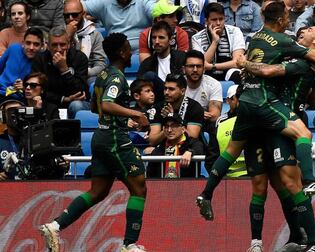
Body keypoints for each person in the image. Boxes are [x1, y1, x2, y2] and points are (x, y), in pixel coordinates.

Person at [196, 0, 315, 223]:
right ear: (279, 20)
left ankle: (206, 193)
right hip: (267, 104)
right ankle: (309, 183)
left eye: (308, 29)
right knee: (303, 137)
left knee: (231, 152)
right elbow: (273, 69)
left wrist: (243, 62)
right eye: (287, 16)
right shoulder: (285, 42)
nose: (293, 23)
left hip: (247, 101)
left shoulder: (257, 36)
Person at [39, 33, 150, 252]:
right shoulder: (117, 78)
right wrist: (135, 114)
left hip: (102, 136)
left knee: (98, 191)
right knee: (139, 189)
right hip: (114, 140)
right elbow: (107, 105)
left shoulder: (103, 75)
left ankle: (54, 226)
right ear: (121, 52)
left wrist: (124, 119)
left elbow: (94, 107)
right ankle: (129, 245)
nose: (131, 52)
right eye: (128, 48)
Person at [31, 26, 90, 119]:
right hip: (49, 102)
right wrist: (64, 99)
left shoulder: (79, 58)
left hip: (74, 103)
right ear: (48, 46)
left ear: (69, 44)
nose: (58, 49)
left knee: (76, 105)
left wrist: (65, 70)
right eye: (54, 45)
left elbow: (80, 91)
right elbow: (37, 90)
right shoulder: (40, 59)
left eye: (62, 45)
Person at [192, 2, 245, 81]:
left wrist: (212, 66)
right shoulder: (196, 38)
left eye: (221, 19)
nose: (218, 23)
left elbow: (237, 62)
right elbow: (201, 64)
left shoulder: (235, 32)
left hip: (229, 73)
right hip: (206, 76)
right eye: (214, 20)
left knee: (236, 73)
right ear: (206, 21)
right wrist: (215, 42)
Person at [147, 73, 204, 146]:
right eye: (165, 88)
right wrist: (168, 127)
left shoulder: (194, 107)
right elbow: (152, 141)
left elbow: (192, 138)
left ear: (182, 91)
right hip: (164, 149)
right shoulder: (157, 108)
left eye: (171, 89)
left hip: (187, 150)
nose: (166, 92)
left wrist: (173, 117)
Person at [137, 21, 186, 104]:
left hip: (179, 99)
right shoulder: (147, 64)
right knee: (150, 76)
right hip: (157, 102)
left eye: (161, 37)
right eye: (154, 37)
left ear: (170, 40)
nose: (156, 41)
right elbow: (139, 88)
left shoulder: (182, 58)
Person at [82, 0, 155, 54]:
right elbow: (77, 6)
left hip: (144, 52)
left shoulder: (145, 2)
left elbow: (157, 13)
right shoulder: (104, 2)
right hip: (114, 55)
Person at [205, 84, 247, 177]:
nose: (239, 101)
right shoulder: (221, 123)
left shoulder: (254, 119)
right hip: (227, 179)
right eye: (234, 98)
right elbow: (212, 158)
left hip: (254, 176)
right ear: (228, 100)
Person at [146, 112, 205, 178]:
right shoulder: (159, 149)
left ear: (183, 129)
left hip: (187, 186)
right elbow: (150, 175)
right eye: (166, 126)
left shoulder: (192, 143)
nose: (169, 130)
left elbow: (199, 148)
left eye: (174, 126)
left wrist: (190, 152)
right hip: (163, 186)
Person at [64, 0, 107, 84]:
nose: (70, 19)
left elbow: (100, 65)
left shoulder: (95, 34)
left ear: (83, 14)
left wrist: (82, 73)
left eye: (74, 15)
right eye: (66, 16)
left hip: (87, 75)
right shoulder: (59, 33)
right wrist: (67, 35)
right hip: (63, 73)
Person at [184, 49, 222, 132]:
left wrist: (187, 113)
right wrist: (199, 113)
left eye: (198, 66)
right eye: (191, 66)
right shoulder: (177, 85)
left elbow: (215, 116)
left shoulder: (213, 84)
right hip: (181, 124)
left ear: (204, 69)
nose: (195, 70)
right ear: (183, 69)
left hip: (205, 125)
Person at [0, 27, 44, 98]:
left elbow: (40, 89)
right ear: (23, 43)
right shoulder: (14, 48)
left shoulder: (42, 61)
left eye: (36, 44)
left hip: (20, 98)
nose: (31, 48)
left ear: (42, 46)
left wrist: (24, 88)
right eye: (28, 43)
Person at [0, 97, 24, 181]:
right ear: (3, 116)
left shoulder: (34, 139)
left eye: (18, 110)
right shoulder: (0, 142)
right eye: (10, 111)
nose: (14, 115)